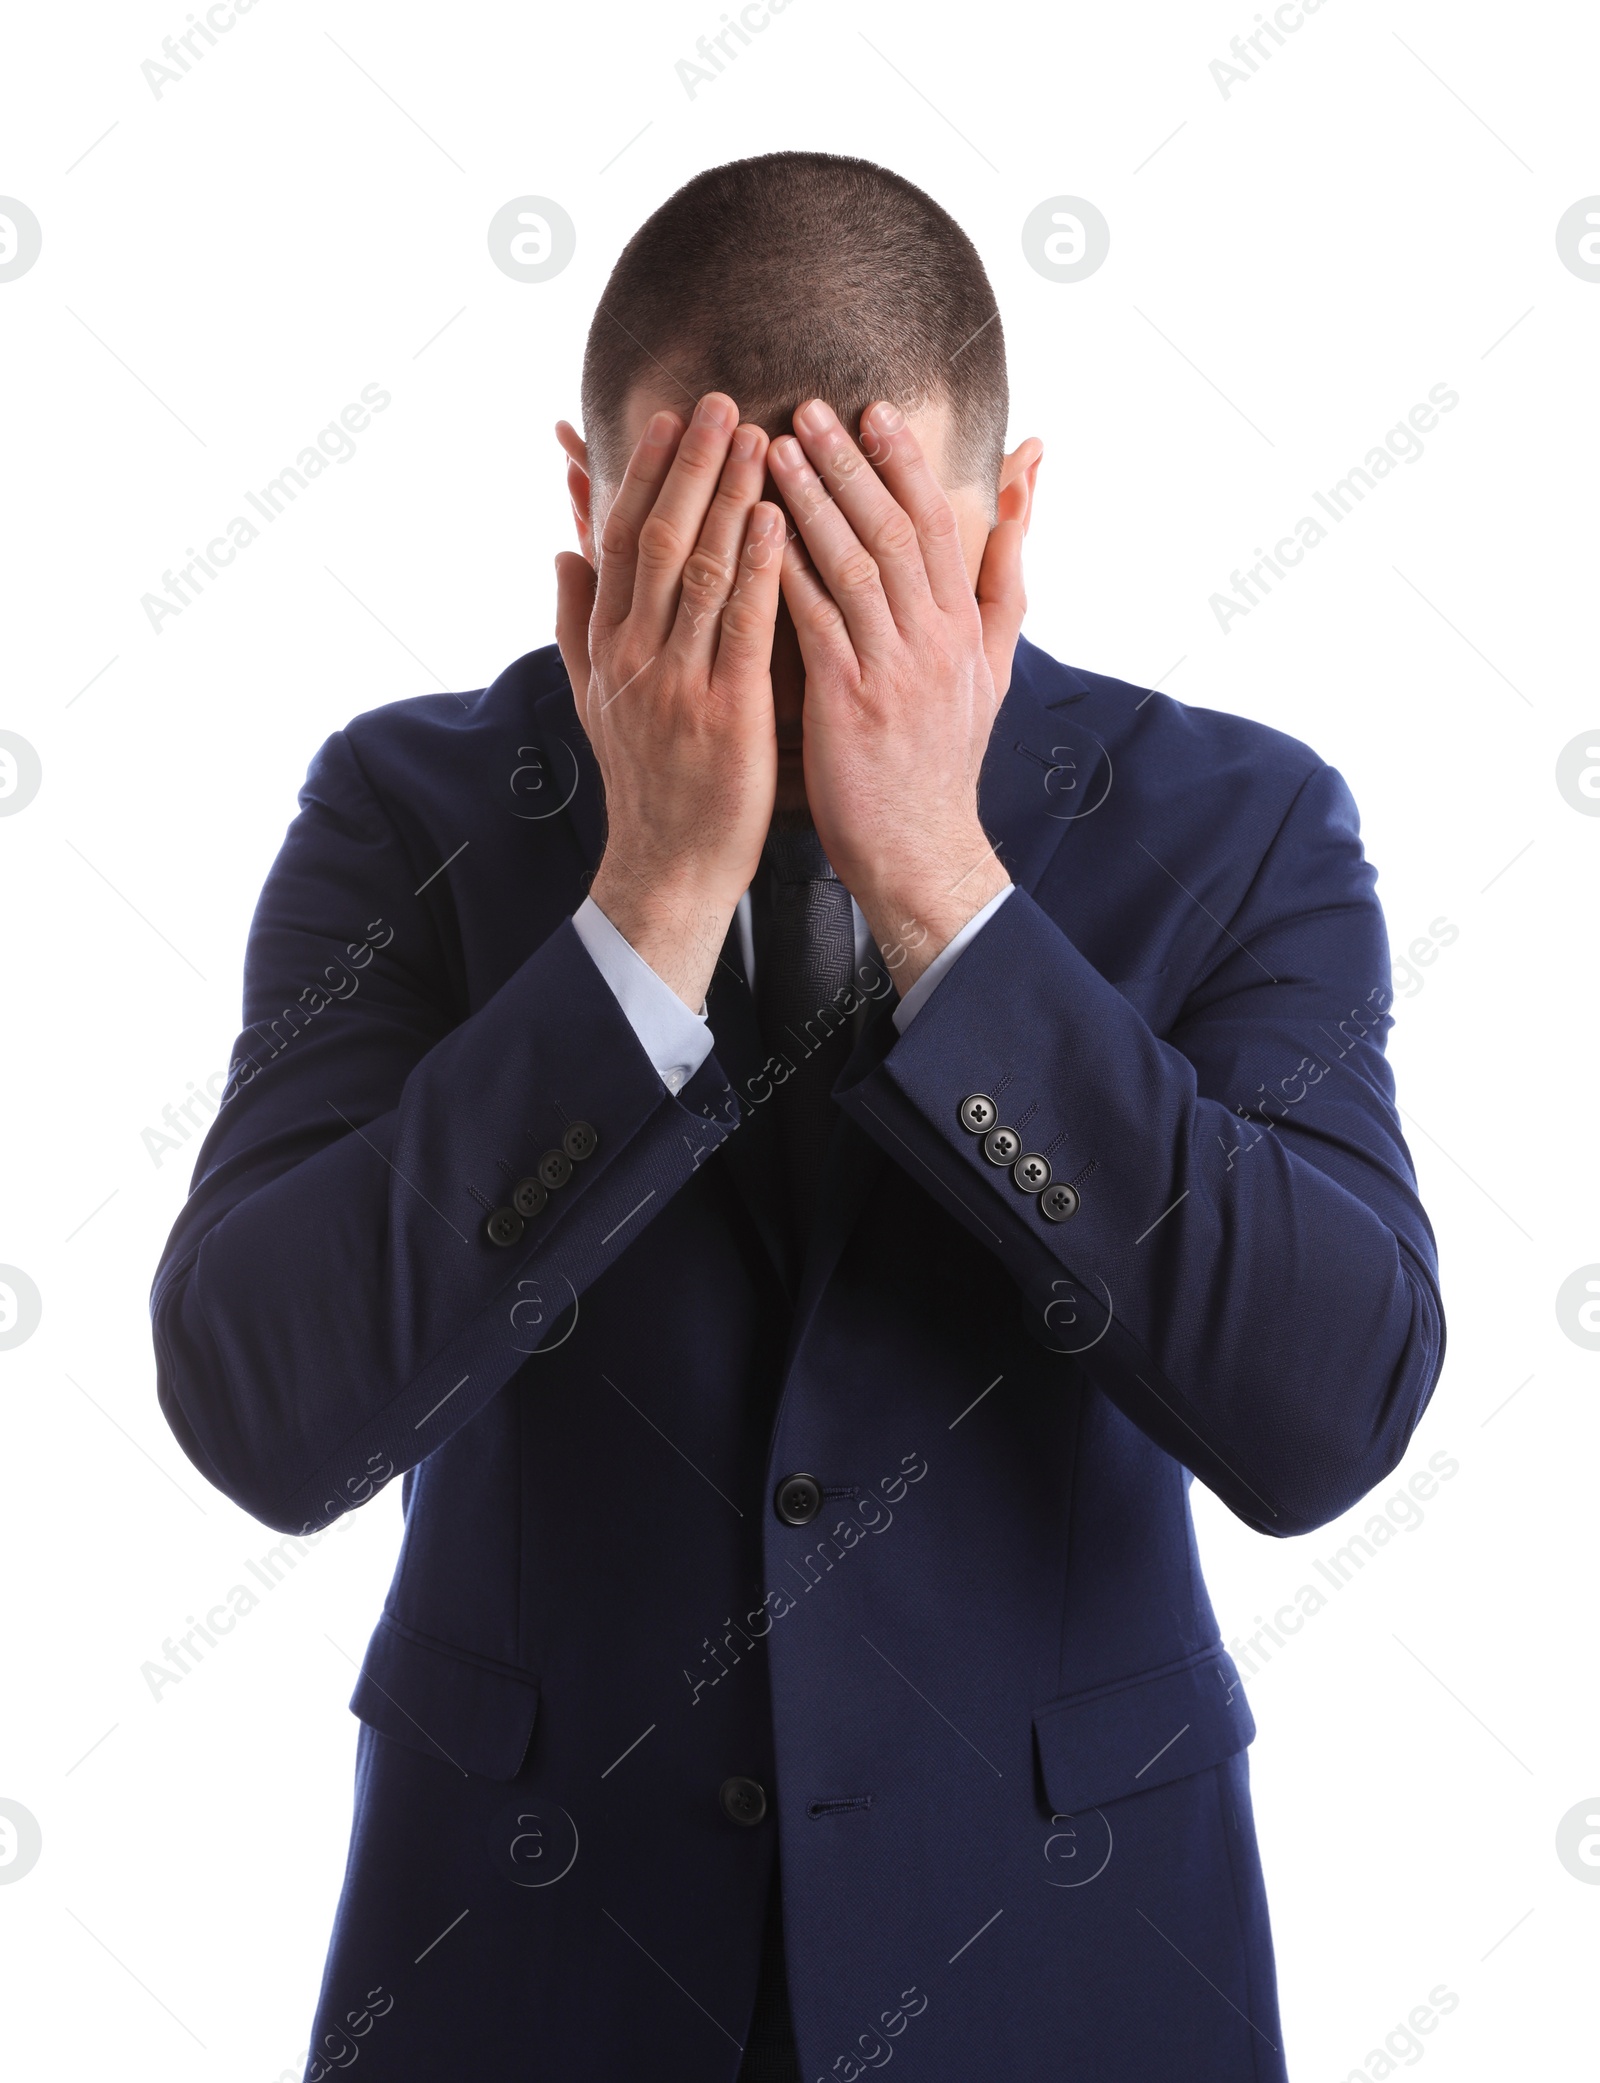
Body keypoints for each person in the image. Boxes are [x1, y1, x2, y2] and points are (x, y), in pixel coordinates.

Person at [150, 151, 1444, 2082]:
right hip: (525, 1973)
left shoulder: (1239, 824)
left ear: (1007, 521)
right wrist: (647, 906)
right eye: (724, 561)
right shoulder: (409, 813)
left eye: (860, 569)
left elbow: (1329, 1411)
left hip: (1064, 1968)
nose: (793, 644)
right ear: (590, 508)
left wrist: (943, 883)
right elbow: (265, 1408)